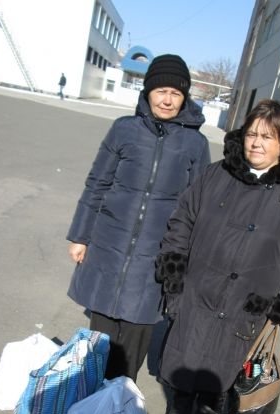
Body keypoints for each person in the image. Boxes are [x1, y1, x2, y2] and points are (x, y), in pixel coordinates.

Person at [155, 99, 280, 414]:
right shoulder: (217, 174)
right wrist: (174, 268)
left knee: (223, 361)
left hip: (248, 298)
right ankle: (178, 408)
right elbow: (182, 220)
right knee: (186, 350)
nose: (256, 143)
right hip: (200, 285)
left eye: (267, 137)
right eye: (251, 134)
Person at [66, 54, 211, 382]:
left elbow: (197, 206)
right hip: (109, 243)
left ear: (184, 98)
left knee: (133, 342)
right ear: (148, 92)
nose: (167, 100)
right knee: (99, 340)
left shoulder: (195, 143)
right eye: (161, 91)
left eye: (176, 93)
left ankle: (120, 400)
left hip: (156, 254)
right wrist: (80, 236)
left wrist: (187, 259)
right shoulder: (124, 130)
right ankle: (90, 398)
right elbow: (97, 183)